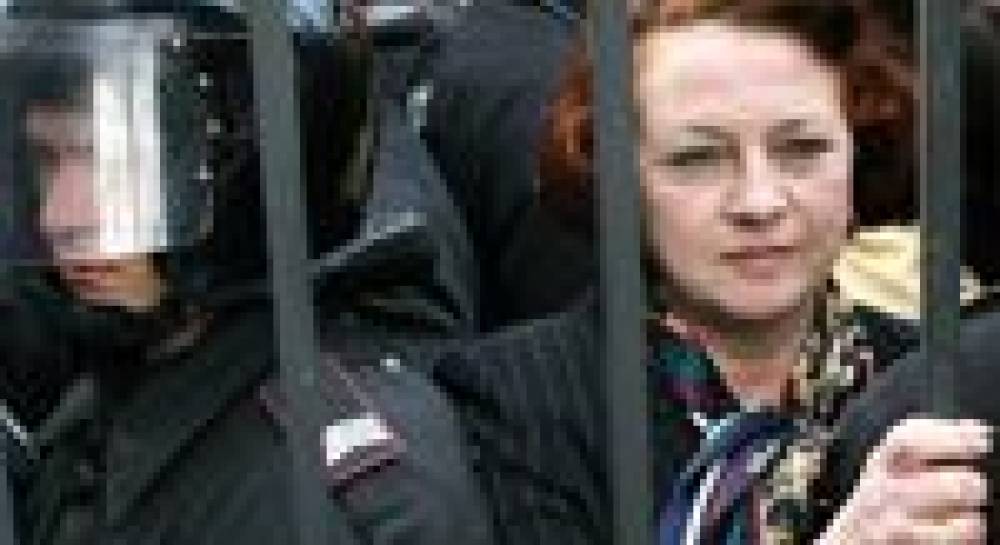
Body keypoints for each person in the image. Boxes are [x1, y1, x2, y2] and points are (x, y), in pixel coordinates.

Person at [0, 1, 491, 544]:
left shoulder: (331, 500)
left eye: (117, 166)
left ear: (244, 171)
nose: (58, 216)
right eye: (46, 160)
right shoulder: (110, 401)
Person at [527, 0, 987, 542]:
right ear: (616, 178)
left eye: (802, 149)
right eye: (698, 157)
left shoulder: (945, 384)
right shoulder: (514, 403)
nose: (759, 202)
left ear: (859, 154)